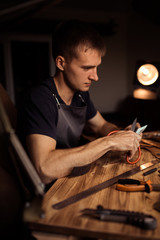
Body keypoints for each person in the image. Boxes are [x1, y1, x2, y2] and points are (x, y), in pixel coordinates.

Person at [18, 20, 141, 186]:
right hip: (50, 188)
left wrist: (120, 133)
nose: (95, 77)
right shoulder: (40, 98)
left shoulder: (81, 95)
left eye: (96, 67)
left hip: (71, 176)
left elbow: (100, 126)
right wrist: (110, 142)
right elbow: (44, 170)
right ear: (61, 63)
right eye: (87, 68)